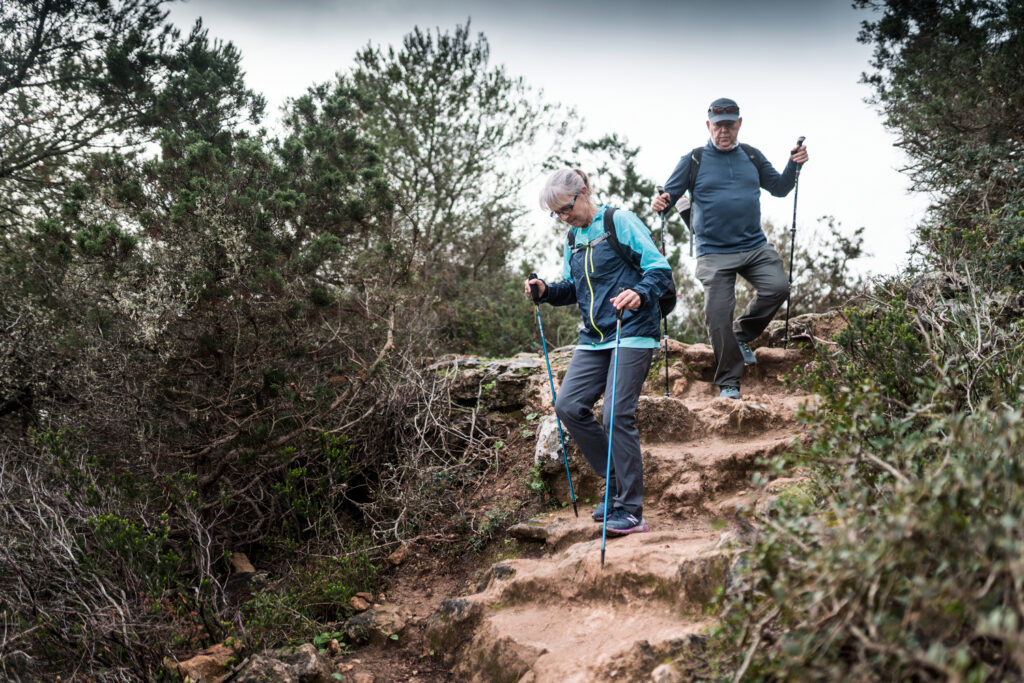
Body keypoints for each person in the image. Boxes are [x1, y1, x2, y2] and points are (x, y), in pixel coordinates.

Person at [525, 168, 672, 535]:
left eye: (565, 208)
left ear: (584, 193)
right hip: (594, 336)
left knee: (615, 414)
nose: (563, 218)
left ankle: (630, 508)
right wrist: (544, 290)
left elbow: (659, 269)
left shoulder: (618, 222)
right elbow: (573, 288)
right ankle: (615, 482)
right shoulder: (573, 238)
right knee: (568, 405)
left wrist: (639, 294)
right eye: (556, 214)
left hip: (632, 330)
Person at [652, 97, 809, 400]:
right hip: (713, 252)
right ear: (708, 126)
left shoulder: (751, 155)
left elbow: (779, 187)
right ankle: (729, 382)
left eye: (729, 124)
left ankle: (741, 336)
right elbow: (668, 198)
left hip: (753, 246)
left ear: (739, 124)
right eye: (718, 125)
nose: (723, 130)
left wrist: (794, 164)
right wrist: (660, 203)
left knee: (778, 287)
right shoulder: (693, 159)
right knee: (717, 314)